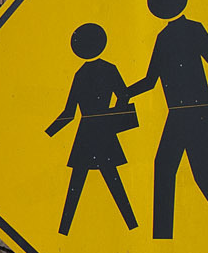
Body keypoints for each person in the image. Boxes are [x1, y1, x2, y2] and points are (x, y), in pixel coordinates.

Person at [125, 0, 208, 241]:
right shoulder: (164, 36)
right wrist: (124, 93)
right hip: (178, 114)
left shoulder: (193, 30)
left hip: (196, 112)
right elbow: (150, 80)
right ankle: (163, 238)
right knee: (166, 168)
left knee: (201, 173)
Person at [43, 22, 138, 235]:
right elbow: (123, 96)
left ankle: (65, 229)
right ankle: (131, 224)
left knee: (81, 182)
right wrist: (114, 118)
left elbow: (69, 113)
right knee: (109, 180)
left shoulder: (81, 73)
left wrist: (50, 132)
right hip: (101, 130)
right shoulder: (108, 69)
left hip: (87, 132)